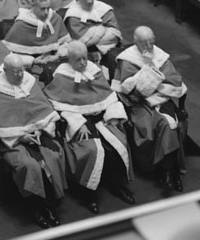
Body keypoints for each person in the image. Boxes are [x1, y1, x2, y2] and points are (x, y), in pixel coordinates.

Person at [44, 41, 134, 213]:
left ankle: (117, 185)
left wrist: (112, 115)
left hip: (102, 118)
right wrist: (78, 123)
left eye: (85, 58)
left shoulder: (94, 70)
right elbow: (59, 105)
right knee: (91, 150)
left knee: (118, 145)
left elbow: (108, 95)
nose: (84, 63)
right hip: (80, 122)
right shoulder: (62, 76)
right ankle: (88, 193)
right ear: (69, 60)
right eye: (78, 60)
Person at [0, 53, 66, 227]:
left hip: (38, 134)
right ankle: (35, 207)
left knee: (53, 157)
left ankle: (49, 203)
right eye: (15, 72)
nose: (20, 75)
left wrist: (41, 129)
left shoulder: (28, 81)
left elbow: (42, 109)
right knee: (30, 166)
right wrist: (20, 136)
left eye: (21, 70)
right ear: (5, 71)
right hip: (12, 141)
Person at [112, 26, 189, 191]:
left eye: (151, 41)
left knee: (169, 125)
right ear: (135, 42)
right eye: (144, 42)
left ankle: (168, 171)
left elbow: (174, 80)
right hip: (139, 105)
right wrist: (147, 73)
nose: (149, 45)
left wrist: (155, 84)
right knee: (152, 129)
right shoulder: (128, 59)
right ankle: (163, 170)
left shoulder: (160, 56)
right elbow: (128, 89)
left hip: (162, 101)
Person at [62, 0, 122, 68]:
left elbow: (115, 33)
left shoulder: (104, 8)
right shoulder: (72, 15)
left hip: (111, 50)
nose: (90, 1)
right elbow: (83, 42)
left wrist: (93, 33)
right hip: (85, 55)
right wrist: (103, 29)